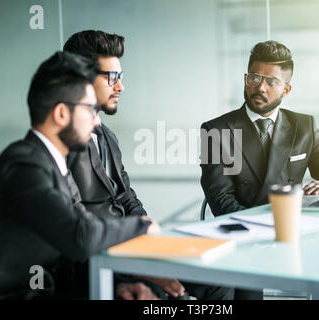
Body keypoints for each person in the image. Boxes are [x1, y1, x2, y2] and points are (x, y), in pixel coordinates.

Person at [0, 51, 160, 300]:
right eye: (89, 109)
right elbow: (80, 236)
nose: (96, 122)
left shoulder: (54, 164)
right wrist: (143, 226)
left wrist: (117, 286)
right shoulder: (23, 166)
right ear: (61, 114)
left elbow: (71, 249)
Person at [63, 30, 233, 300]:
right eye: (112, 78)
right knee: (164, 296)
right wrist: (134, 272)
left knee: (220, 278)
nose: (121, 87)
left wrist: (155, 243)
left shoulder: (107, 136)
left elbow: (127, 198)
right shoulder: (61, 147)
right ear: (81, 79)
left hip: (133, 252)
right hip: (106, 264)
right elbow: (72, 236)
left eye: (121, 77)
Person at [200, 40, 319, 300]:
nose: (260, 87)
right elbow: (221, 201)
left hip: (299, 234)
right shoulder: (215, 132)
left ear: (286, 89)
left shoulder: (304, 126)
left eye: (272, 82)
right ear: (246, 79)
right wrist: (270, 231)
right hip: (249, 237)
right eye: (255, 78)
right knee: (244, 287)